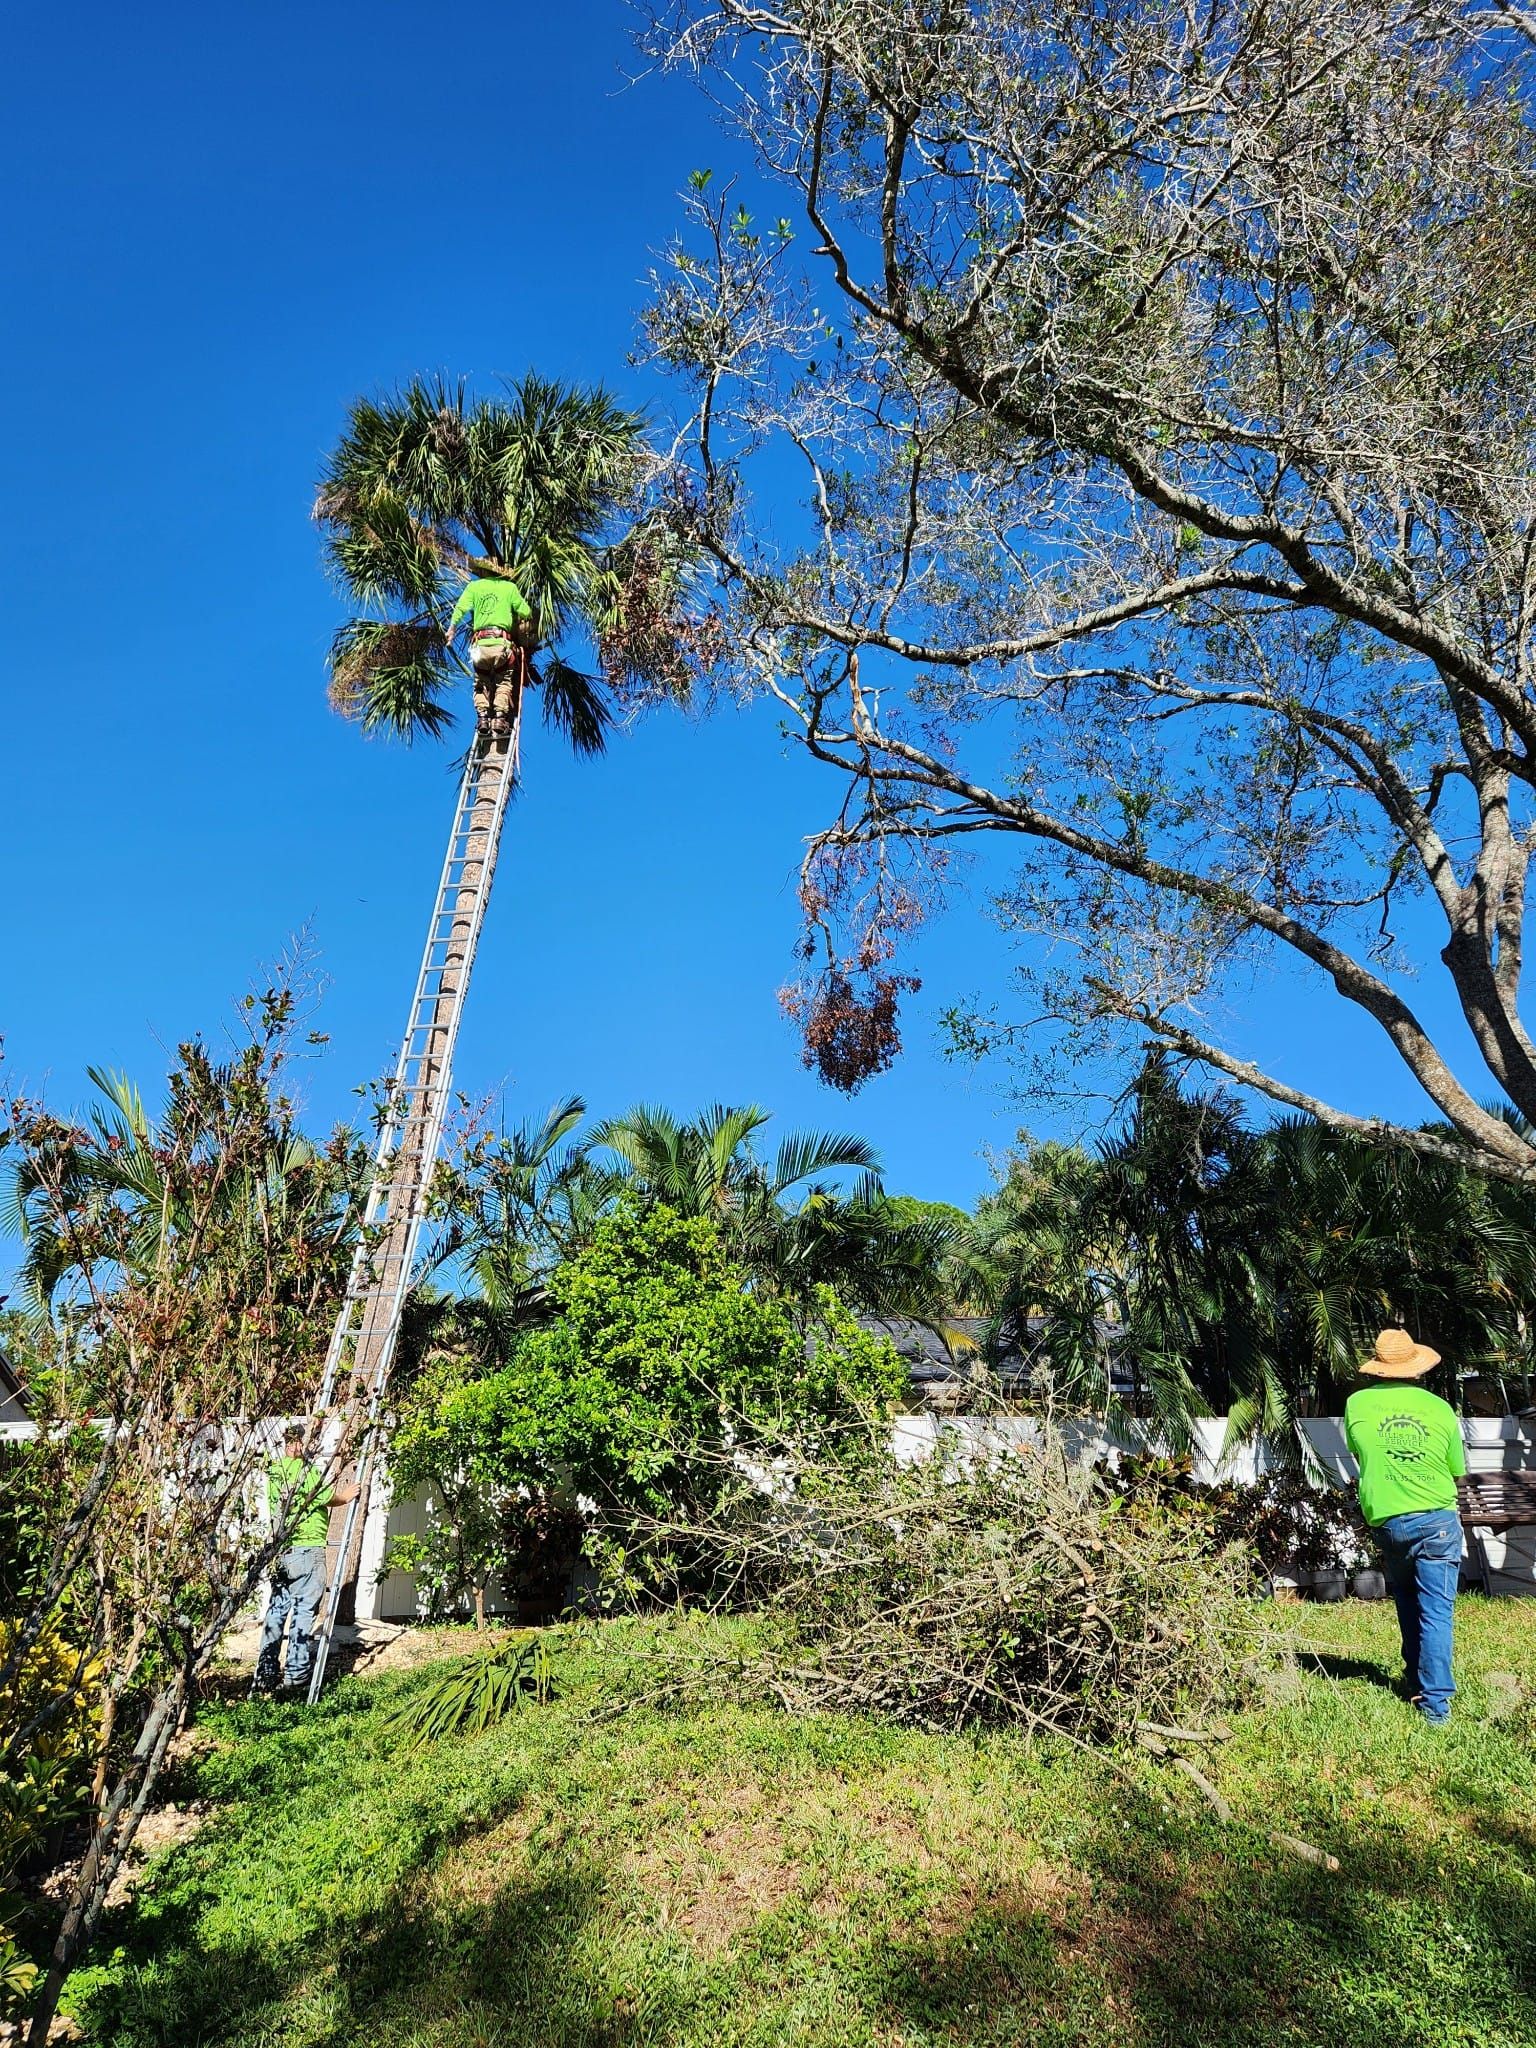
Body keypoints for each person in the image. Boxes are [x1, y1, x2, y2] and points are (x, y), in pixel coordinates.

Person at [1344, 1328, 1466, 1726]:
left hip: (1389, 1520)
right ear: (1417, 1368)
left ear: (1378, 1368)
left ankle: (1416, 1679)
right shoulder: (1440, 1409)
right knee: (1436, 1611)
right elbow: (1455, 1469)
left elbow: (1362, 1452)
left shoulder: (1357, 1404)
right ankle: (1435, 1705)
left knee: (1408, 1601)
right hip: (1437, 1519)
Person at [252, 1424, 355, 1696]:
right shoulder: (306, 1471)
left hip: (282, 1550)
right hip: (308, 1549)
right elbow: (322, 1497)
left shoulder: (275, 1471)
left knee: (277, 1611)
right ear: (298, 1444)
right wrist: (344, 1496)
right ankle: (296, 1679)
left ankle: (266, 1673)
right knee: (303, 1613)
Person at [446, 575, 533, 739]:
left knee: (480, 683)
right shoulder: (509, 587)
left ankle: (483, 718)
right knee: (504, 682)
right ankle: (500, 718)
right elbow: (526, 611)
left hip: (480, 645)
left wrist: (452, 629)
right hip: (501, 644)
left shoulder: (474, 587)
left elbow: (460, 608)